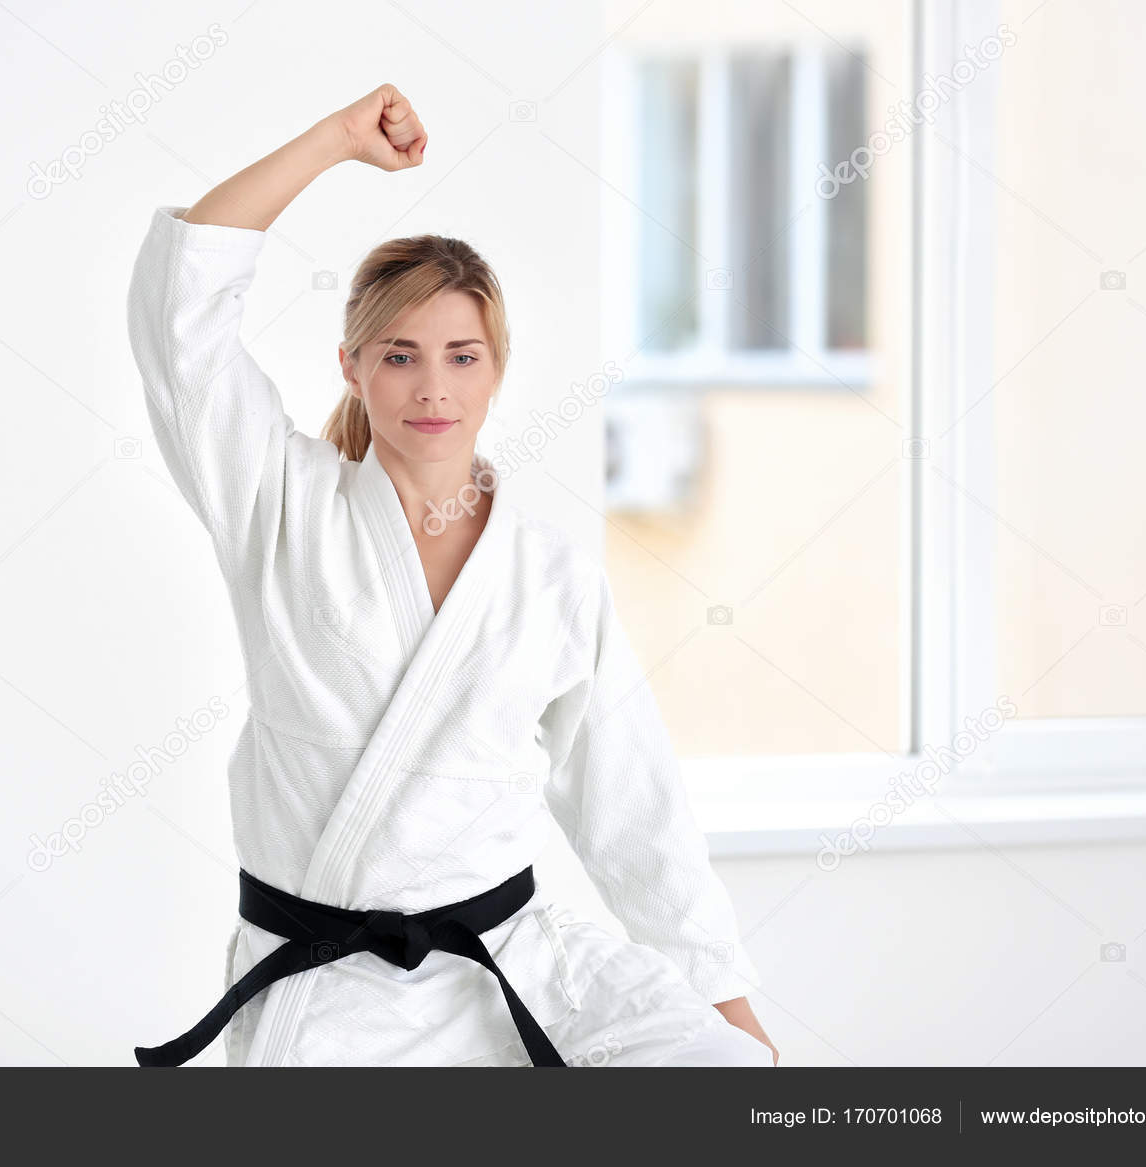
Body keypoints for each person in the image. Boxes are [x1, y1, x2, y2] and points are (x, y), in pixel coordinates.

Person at [127, 83, 778, 1068]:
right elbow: (182, 317)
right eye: (400, 355)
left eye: (460, 356)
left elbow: (628, 794)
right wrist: (336, 139)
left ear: (495, 370)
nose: (433, 387)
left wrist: (721, 996)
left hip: (509, 966)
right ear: (352, 367)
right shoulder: (278, 504)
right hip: (323, 988)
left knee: (729, 1074)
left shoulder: (548, 574)